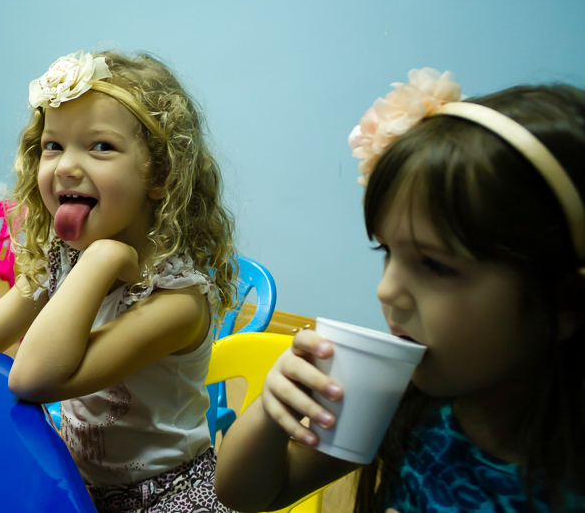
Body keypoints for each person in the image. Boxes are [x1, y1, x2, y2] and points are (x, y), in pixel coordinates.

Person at [0, 50, 239, 512]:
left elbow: (33, 379)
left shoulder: (176, 303)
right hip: (78, 485)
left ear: (160, 174)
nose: (66, 166)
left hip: (169, 498)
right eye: (53, 145)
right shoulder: (63, 261)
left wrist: (102, 257)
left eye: (100, 146)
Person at [214, 69, 585, 513]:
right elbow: (251, 495)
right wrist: (269, 414)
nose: (386, 290)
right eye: (387, 251)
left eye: (435, 265)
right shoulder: (400, 397)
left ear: (564, 300)